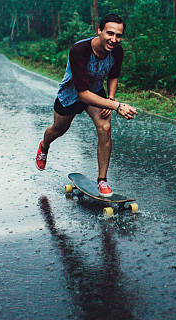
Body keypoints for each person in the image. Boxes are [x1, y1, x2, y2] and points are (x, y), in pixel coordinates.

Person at [35, 13, 138, 197]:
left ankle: (102, 180)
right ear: (99, 31)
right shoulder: (79, 50)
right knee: (58, 129)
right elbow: (82, 93)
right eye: (110, 33)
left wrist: (111, 99)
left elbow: (113, 76)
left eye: (118, 35)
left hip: (96, 92)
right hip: (71, 95)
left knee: (105, 127)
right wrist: (117, 106)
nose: (114, 39)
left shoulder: (117, 51)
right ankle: (44, 146)